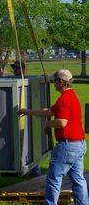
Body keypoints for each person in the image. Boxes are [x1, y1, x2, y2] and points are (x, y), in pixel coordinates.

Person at [18, 69, 88, 205]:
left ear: (61, 82)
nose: (53, 83)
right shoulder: (70, 96)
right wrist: (27, 112)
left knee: (53, 178)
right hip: (79, 145)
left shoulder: (64, 99)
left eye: (54, 80)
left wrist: (48, 124)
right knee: (78, 179)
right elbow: (49, 111)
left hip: (67, 146)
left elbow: (62, 122)